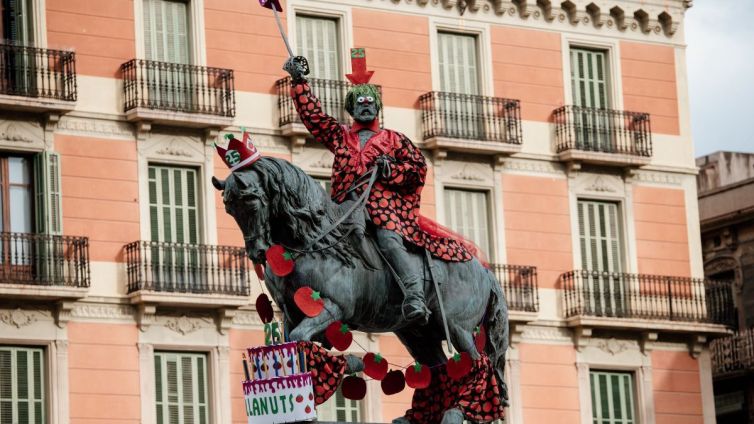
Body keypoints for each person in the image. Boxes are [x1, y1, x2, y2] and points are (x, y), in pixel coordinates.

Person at [283, 54, 471, 325]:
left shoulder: (394, 140)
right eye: (360, 102)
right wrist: (299, 81)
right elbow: (314, 117)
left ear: (378, 107)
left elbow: (418, 167)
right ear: (351, 108)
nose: (366, 106)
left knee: (389, 242)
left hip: (382, 207)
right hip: (345, 205)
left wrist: (391, 170)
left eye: (370, 101)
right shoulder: (340, 136)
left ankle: (415, 294)